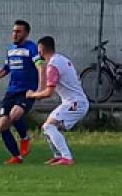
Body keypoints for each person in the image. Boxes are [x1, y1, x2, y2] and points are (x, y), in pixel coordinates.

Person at [0, 20, 44, 164]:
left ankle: (24, 138)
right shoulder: (10, 50)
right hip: (11, 92)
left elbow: (40, 67)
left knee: (15, 115)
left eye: (18, 31)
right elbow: (5, 70)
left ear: (26, 34)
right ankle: (16, 156)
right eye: (13, 31)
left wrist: (40, 89)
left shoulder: (32, 48)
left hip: (26, 92)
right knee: (2, 126)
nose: (14, 34)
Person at [25, 36, 88, 166]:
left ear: (41, 50)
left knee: (49, 127)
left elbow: (48, 93)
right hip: (73, 102)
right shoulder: (61, 59)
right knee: (46, 127)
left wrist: (32, 95)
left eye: (38, 50)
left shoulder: (53, 66)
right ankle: (58, 156)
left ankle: (67, 157)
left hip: (75, 103)